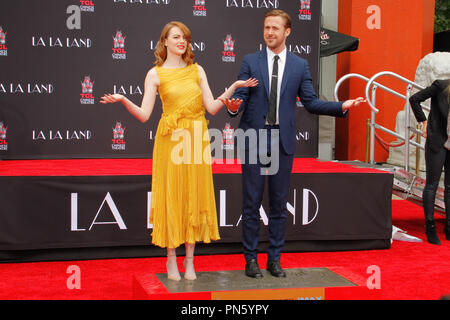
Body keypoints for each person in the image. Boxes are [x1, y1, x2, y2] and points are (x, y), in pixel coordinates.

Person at [100, 21, 257, 281]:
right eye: (176, 37)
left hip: (196, 139)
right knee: (173, 196)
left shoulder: (197, 70)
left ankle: (190, 261)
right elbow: (144, 115)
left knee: (194, 196)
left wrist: (233, 87)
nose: (181, 41)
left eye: (184, 37)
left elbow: (212, 107)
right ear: (164, 42)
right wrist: (124, 100)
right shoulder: (155, 74)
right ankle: (171, 258)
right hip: (170, 141)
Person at [221, 9, 366, 278]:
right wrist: (232, 106)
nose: (270, 33)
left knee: (278, 204)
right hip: (254, 138)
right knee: (251, 203)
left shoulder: (300, 66)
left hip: (282, 140)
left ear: (287, 32)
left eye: (275, 28)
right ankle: (250, 259)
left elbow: (310, 102)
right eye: (266, 28)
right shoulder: (250, 61)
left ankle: (274, 260)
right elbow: (239, 98)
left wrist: (341, 106)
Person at [409, 79, 450, 245]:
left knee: (449, 187)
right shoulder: (441, 86)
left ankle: (448, 228)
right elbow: (415, 99)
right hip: (437, 141)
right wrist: (424, 122)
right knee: (432, 184)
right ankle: (430, 226)